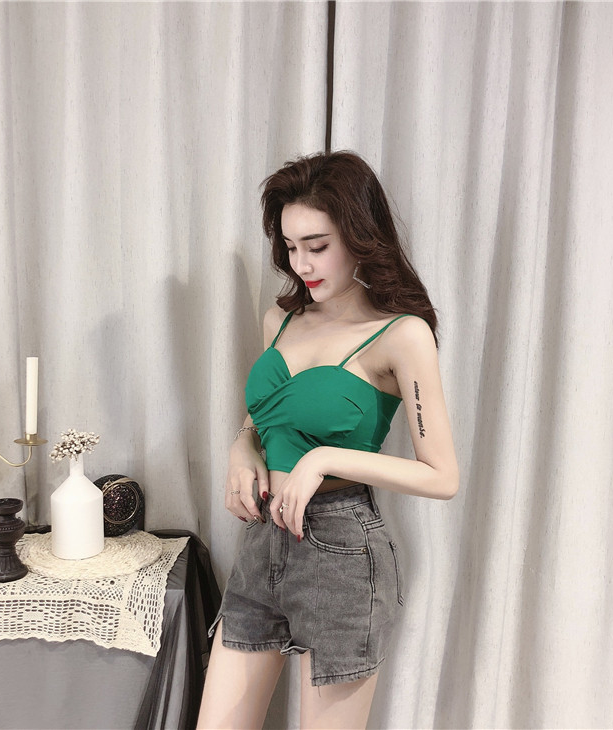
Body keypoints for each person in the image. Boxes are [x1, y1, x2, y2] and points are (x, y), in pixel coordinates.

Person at [197, 151, 459, 729]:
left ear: (360, 237)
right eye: (291, 247)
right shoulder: (281, 320)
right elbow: (267, 416)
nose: (302, 264)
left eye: (317, 246)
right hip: (262, 541)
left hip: (341, 549)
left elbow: (442, 476)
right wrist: (242, 446)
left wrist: (324, 458)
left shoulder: (401, 335)